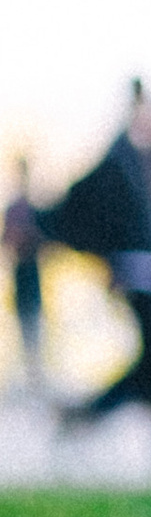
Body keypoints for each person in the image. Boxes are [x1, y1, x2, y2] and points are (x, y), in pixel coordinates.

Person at [43, 83, 151, 474]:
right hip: (141, 275)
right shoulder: (124, 159)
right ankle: (87, 416)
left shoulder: (140, 158)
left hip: (147, 273)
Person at [3, 163, 43, 395]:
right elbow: (8, 241)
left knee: (35, 322)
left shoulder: (36, 209)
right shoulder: (14, 209)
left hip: (32, 273)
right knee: (24, 321)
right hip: (21, 273)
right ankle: (28, 376)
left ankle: (35, 376)